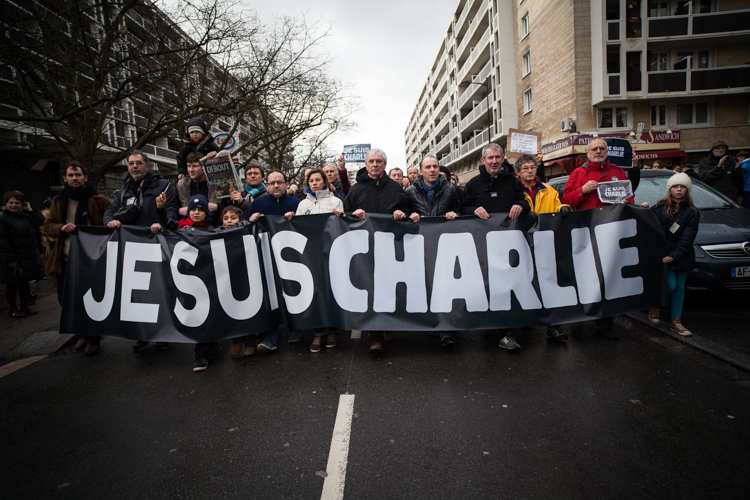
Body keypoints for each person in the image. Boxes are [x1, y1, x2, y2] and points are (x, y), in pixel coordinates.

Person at [104, 150, 179, 352]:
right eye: (131, 164)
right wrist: (109, 222)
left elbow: (171, 216)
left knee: (160, 291)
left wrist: (161, 219)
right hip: (132, 248)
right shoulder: (125, 189)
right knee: (137, 293)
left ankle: (164, 332)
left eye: (138, 163)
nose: (134, 167)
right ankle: (142, 334)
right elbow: (111, 210)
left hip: (156, 244)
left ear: (147, 165)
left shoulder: (163, 186)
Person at [562, 138, 634, 340]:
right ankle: (579, 314)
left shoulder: (618, 172)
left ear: (607, 151)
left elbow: (630, 198)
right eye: (595, 148)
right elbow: (566, 200)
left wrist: (625, 202)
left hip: (611, 235)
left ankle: (605, 323)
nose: (599, 151)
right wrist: (582, 191)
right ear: (588, 153)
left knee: (608, 278)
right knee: (585, 277)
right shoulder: (578, 174)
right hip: (585, 232)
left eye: (602, 148)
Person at [461, 143, 530, 351]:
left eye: (497, 157)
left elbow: (525, 202)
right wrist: (473, 209)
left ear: (502, 159)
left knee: (507, 287)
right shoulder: (473, 184)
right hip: (482, 247)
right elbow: (462, 208)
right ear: (483, 160)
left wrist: (521, 206)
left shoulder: (513, 181)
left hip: (509, 246)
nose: (494, 161)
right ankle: (490, 323)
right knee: (487, 285)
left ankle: (507, 333)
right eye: (490, 158)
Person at [344, 148, 407, 355]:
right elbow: (345, 217)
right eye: (371, 161)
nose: (375, 164)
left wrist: (402, 213)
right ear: (366, 163)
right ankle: (375, 336)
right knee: (371, 291)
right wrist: (354, 214)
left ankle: (388, 324)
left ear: (384, 164)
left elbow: (407, 211)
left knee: (390, 289)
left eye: (379, 161)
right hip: (366, 249)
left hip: (391, 247)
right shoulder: (356, 189)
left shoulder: (395, 188)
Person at [44, 161, 111, 355]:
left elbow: (110, 219)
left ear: (85, 177)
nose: (75, 179)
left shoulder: (98, 200)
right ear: (65, 178)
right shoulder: (58, 201)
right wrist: (61, 228)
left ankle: (93, 339)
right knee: (67, 301)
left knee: (91, 301)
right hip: (64, 261)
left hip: (90, 261)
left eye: (78, 175)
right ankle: (81, 334)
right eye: (71, 176)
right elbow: (48, 226)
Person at [151, 193, 217, 371]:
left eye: (200, 210)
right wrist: (160, 210)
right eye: (192, 210)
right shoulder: (180, 227)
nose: (196, 213)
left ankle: (202, 353)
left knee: (206, 316)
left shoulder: (213, 231)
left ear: (206, 213)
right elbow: (166, 224)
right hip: (184, 281)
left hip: (206, 280)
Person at [401, 154, 461, 348]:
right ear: (421, 171)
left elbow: (463, 211)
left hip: (445, 245)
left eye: (435, 166)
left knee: (444, 286)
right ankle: (430, 322)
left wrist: (456, 214)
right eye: (428, 167)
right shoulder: (410, 192)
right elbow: (403, 215)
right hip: (421, 246)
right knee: (425, 284)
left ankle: (446, 330)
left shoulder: (451, 189)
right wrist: (410, 216)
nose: (433, 170)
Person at [285, 167, 344, 353]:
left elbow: (342, 227)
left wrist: (340, 217)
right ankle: (318, 333)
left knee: (331, 291)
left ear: (325, 182)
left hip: (331, 253)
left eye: (318, 180)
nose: (315, 183)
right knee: (316, 292)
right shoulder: (303, 204)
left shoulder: (336, 201)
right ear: (307, 183)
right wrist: (291, 219)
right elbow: (299, 228)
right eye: (311, 181)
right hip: (311, 254)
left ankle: (332, 331)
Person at [514, 155, 571, 341]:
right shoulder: (514, 190)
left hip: (545, 243)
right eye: (525, 168)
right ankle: (525, 319)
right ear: (518, 172)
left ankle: (553, 325)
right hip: (521, 243)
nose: (529, 171)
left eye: (532, 167)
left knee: (547, 284)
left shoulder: (548, 190)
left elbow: (557, 204)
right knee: (524, 283)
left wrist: (563, 207)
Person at [245, 169, 301, 351]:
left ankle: (295, 328)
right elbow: (243, 228)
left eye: (280, 182)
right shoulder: (257, 204)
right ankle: (271, 338)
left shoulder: (297, 203)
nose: (276, 186)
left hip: (291, 258)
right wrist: (249, 220)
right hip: (265, 257)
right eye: (272, 183)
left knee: (293, 292)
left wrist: (296, 219)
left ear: (286, 184)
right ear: (266, 185)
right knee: (270, 298)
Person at [644, 173, 699, 337]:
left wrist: (675, 254)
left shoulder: (692, 213)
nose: (679, 189)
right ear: (670, 189)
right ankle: (656, 304)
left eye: (683, 187)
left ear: (687, 190)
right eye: (676, 186)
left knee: (680, 288)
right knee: (671, 285)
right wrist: (643, 210)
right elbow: (649, 226)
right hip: (663, 254)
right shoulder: (659, 208)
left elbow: (687, 238)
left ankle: (676, 321)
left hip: (682, 255)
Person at [216, 205, 256, 358]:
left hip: (244, 277)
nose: (229, 221)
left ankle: (250, 342)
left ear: (240, 219)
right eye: (226, 218)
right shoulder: (216, 233)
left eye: (233, 218)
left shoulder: (244, 229)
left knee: (247, 310)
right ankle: (236, 341)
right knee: (231, 311)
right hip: (226, 278)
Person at [0, 191, 45, 318]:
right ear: (6, 203)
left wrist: (30, 209)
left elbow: (40, 221)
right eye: (11, 203)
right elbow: (2, 241)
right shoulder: (3, 219)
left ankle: (24, 307)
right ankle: (13, 309)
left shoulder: (25, 216)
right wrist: (10, 258)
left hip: (27, 256)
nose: (14, 205)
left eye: (17, 203)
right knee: (12, 284)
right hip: (13, 258)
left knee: (25, 283)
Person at [177, 152, 220, 222]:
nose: (191, 170)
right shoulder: (182, 184)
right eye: (189, 166)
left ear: (203, 167)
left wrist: (217, 207)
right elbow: (172, 206)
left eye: (195, 166)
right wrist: (178, 210)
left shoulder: (215, 183)